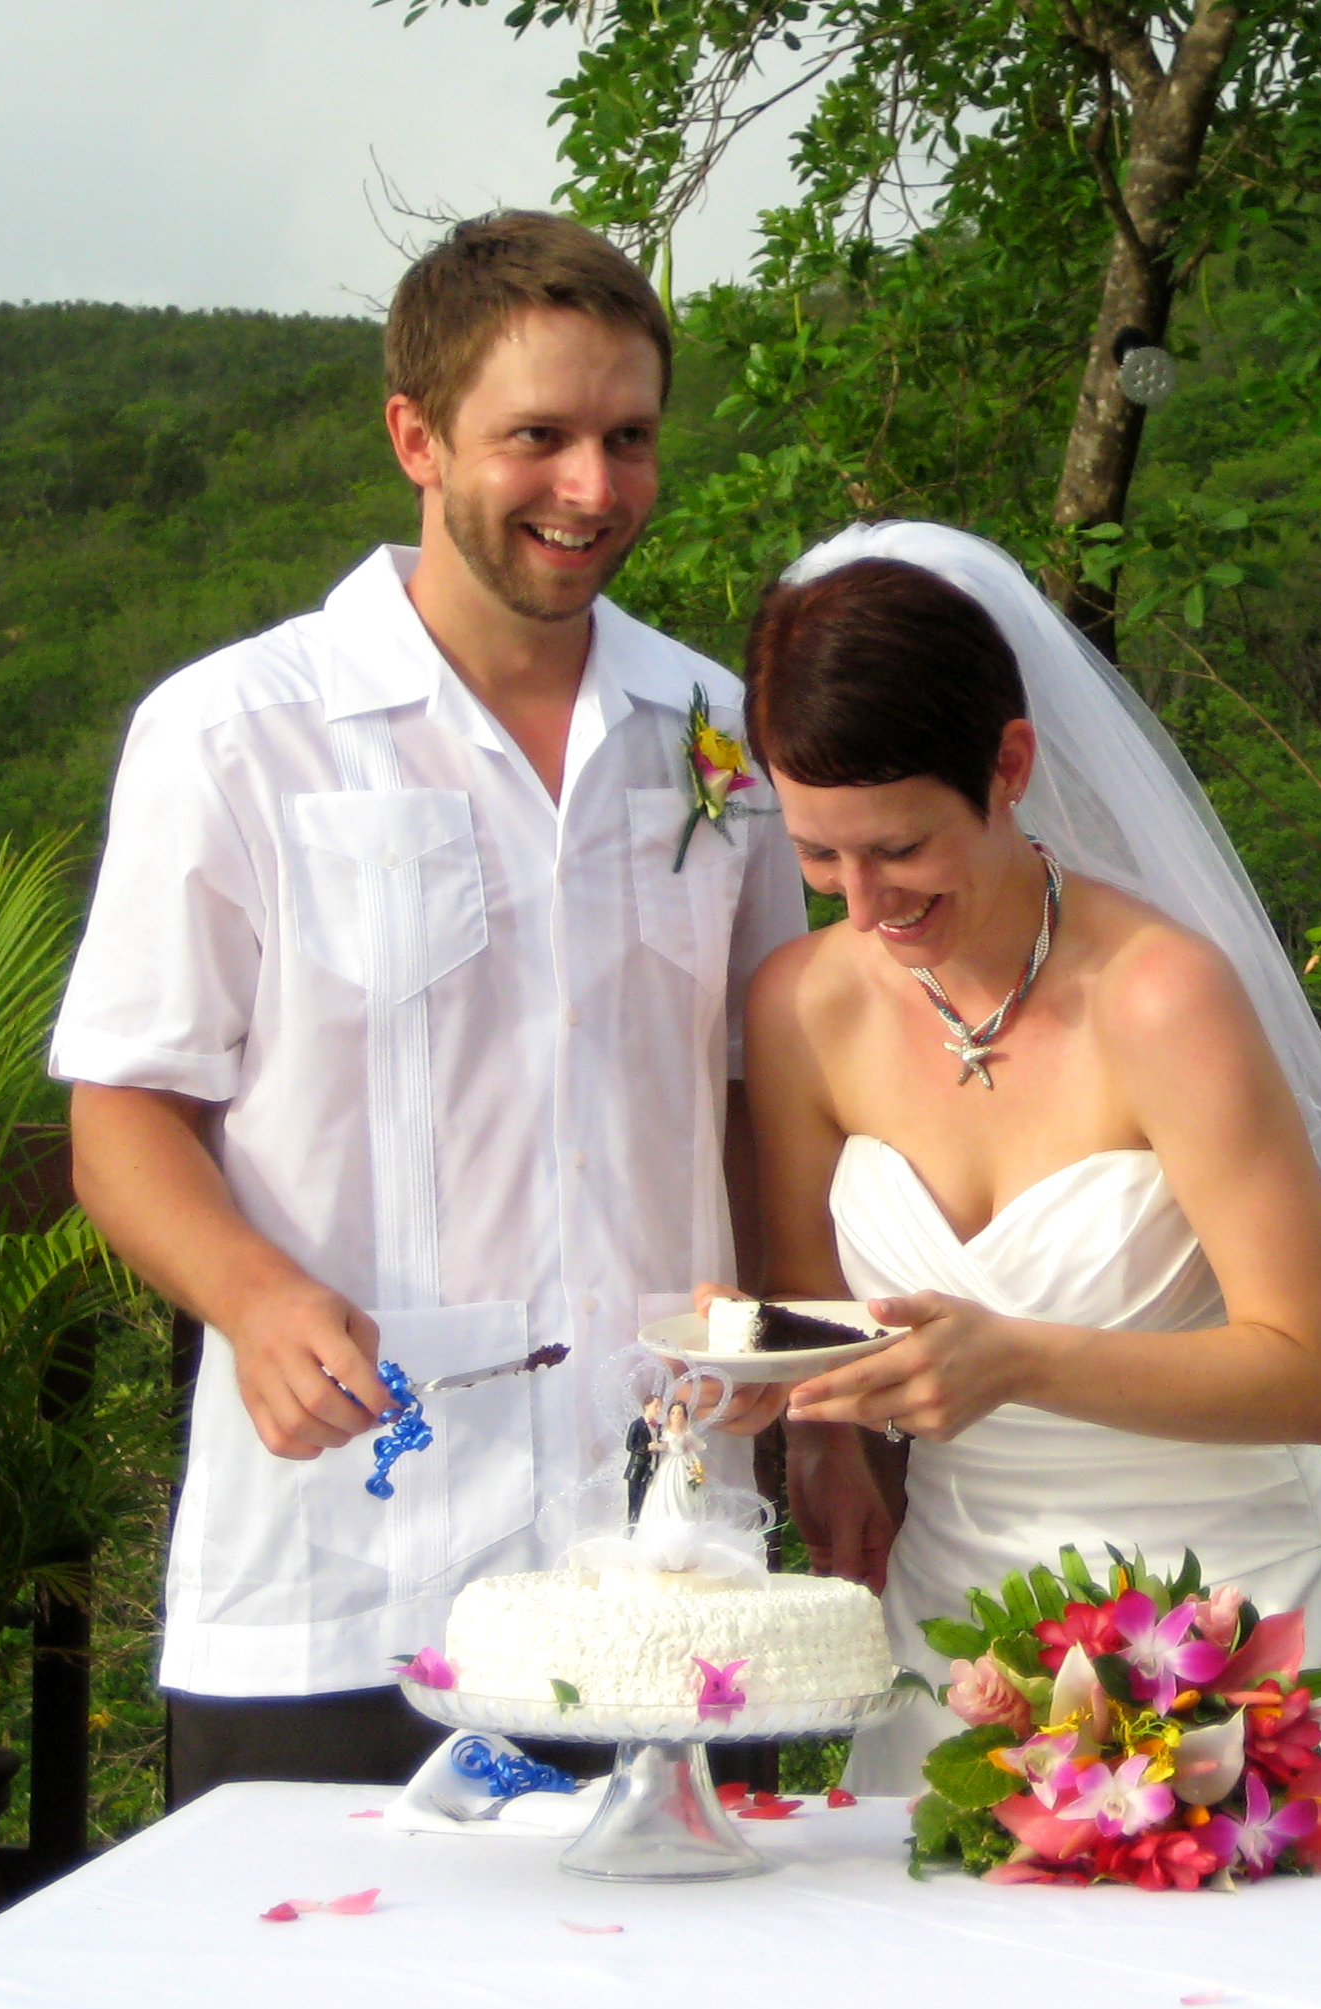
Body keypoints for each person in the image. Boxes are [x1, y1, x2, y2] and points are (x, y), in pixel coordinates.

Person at [51, 211, 804, 1801]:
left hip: (665, 1564)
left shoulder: (715, 735)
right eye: (537, 437)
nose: (590, 487)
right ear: (416, 437)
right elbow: (123, 1115)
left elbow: (759, 1098)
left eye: (627, 438)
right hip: (341, 1574)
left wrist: (820, 1417)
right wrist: (252, 1297)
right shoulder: (233, 732)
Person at [720, 521, 1321, 1804]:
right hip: (955, 1619)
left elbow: (1317, 1377)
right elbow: (811, 1319)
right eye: (818, 854)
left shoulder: (1160, 997)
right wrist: (813, 1437)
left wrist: (1019, 1358)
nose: (861, 904)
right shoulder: (803, 1004)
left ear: (1009, 764)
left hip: (1215, 1618)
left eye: (899, 847)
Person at [637, 1398, 709, 1527]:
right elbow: (665, 1446)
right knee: (667, 1488)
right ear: (669, 1416)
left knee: (684, 1490)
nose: (676, 1416)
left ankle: (686, 1517)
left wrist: (689, 1450)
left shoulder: (687, 1433)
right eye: (673, 1413)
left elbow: (701, 1445)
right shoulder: (665, 1432)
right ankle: (666, 1517)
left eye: (679, 1413)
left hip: (684, 1463)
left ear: (684, 1417)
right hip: (669, 1464)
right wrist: (657, 1446)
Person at [624, 1392, 664, 1528]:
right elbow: (630, 1446)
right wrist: (646, 1447)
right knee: (635, 1502)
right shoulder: (637, 1424)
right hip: (637, 1469)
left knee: (647, 1500)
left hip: (651, 1469)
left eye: (660, 1407)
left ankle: (642, 1527)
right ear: (647, 1406)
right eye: (656, 1406)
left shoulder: (658, 1427)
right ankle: (631, 1528)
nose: (658, 1410)